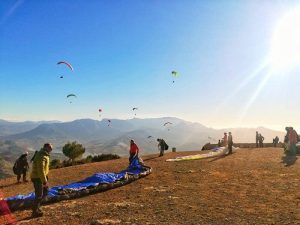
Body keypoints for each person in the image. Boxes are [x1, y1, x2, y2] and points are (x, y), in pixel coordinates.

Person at [31, 143, 52, 217]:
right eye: (50, 148)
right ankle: (34, 211)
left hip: (41, 177)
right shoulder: (41, 155)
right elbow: (41, 169)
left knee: (45, 192)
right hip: (37, 178)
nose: (51, 149)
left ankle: (37, 207)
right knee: (39, 195)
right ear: (46, 147)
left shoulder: (45, 154)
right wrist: (44, 181)